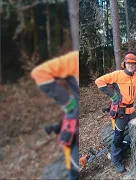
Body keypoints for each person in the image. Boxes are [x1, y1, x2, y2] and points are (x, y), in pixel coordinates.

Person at [30, 51, 79, 180]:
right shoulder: (73, 59)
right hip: (74, 125)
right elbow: (39, 73)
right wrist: (68, 103)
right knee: (73, 167)